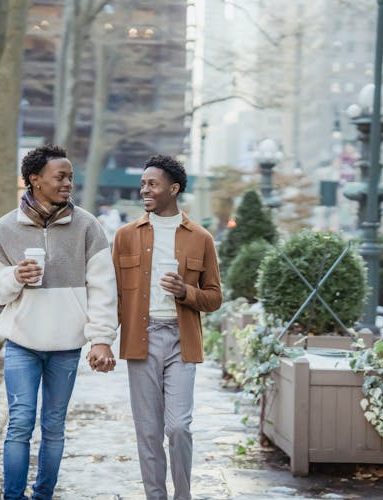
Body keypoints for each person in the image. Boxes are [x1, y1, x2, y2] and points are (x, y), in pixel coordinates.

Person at [0, 145, 117, 500]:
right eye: (61, 176)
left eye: (71, 176)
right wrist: (15, 276)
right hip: (22, 344)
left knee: (54, 426)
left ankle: (43, 495)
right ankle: (13, 497)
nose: (68, 183)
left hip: (66, 347)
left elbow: (104, 289)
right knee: (20, 424)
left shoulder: (88, 227)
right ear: (35, 180)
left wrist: (101, 338)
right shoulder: (5, 228)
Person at [112, 155, 222, 500]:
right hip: (141, 341)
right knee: (148, 431)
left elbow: (215, 297)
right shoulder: (125, 236)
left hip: (181, 340)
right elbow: (113, 296)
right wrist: (100, 341)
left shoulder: (200, 238)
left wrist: (184, 292)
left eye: (152, 184)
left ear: (173, 189)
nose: (145, 189)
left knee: (178, 427)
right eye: (143, 183)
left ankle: (183, 496)